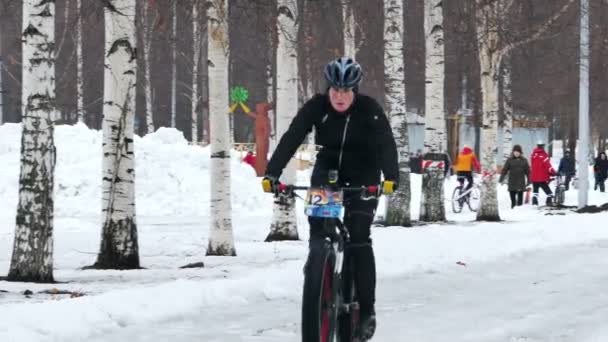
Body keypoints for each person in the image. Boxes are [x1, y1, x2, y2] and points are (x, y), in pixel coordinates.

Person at [261, 57, 398, 340]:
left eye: (346, 91)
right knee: (319, 231)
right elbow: (293, 136)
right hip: (329, 172)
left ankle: (367, 312)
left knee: (359, 237)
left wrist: (390, 178)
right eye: (335, 90)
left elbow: (386, 143)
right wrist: (273, 173)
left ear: (355, 91)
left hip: (365, 175)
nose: (339, 96)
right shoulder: (317, 107)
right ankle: (318, 271)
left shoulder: (369, 110)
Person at [530, 141, 556, 205]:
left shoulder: (533, 155)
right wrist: (554, 172)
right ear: (543, 146)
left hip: (534, 177)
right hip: (542, 178)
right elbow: (548, 166)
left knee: (535, 191)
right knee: (549, 192)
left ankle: (534, 202)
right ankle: (548, 201)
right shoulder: (544, 156)